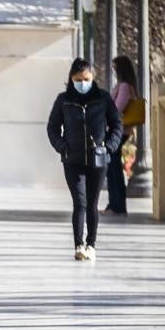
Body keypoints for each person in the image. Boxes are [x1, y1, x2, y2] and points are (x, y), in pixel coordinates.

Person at [48, 58, 123, 260]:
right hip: (72, 160)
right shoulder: (63, 100)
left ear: (93, 77)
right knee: (79, 203)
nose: (82, 82)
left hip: (98, 161)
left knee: (92, 204)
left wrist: (108, 147)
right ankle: (78, 246)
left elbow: (117, 125)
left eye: (86, 78)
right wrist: (63, 147)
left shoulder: (103, 99)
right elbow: (52, 128)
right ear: (71, 79)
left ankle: (91, 245)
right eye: (78, 79)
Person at [104, 55, 137, 215]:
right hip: (120, 130)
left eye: (115, 67)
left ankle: (117, 206)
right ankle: (114, 206)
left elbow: (118, 107)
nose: (114, 70)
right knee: (112, 166)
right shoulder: (126, 85)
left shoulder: (124, 86)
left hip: (118, 130)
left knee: (114, 168)